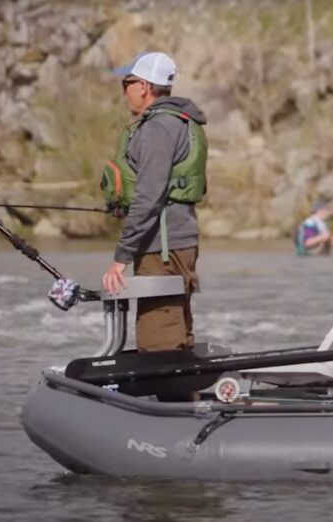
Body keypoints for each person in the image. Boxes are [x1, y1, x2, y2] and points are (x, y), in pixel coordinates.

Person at [99, 52, 208, 374]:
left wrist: (122, 255)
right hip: (178, 240)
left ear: (143, 86)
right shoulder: (181, 122)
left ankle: (173, 410)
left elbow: (149, 196)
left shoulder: (158, 128)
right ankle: (184, 400)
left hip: (161, 247)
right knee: (176, 327)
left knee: (159, 337)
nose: (124, 91)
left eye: (127, 83)